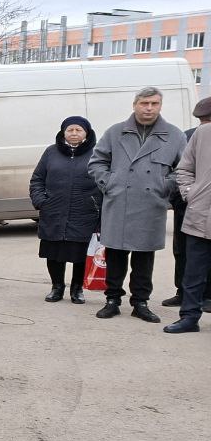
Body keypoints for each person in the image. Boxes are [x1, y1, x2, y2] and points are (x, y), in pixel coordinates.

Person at [87, 86, 186, 323]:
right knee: (115, 254)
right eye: (144, 103)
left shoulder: (174, 135)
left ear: (160, 106)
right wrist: (110, 183)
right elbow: (96, 162)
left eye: (154, 103)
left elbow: (183, 169)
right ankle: (112, 300)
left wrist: (164, 186)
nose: (149, 108)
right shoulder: (115, 132)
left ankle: (140, 302)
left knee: (144, 257)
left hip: (151, 205)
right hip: (119, 202)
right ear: (135, 105)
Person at [29, 116, 102, 304]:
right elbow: (37, 179)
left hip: (85, 213)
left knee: (80, 254)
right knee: (54, 253)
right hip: (54, 212)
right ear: (63, 132)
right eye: (70, 130)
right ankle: (57, 287)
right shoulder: (51, 152)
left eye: (79, 130)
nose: (74, 133)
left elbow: (105, 183)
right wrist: (41, 201)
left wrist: (98, 206)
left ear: (87, 133)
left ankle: (77, 289)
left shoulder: (97, 153)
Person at [164, 98, 211, 333]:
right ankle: (189, 318)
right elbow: (184, 168)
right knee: (194, 273)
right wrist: (191, 193)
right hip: (201, 215)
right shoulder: (203, 134)